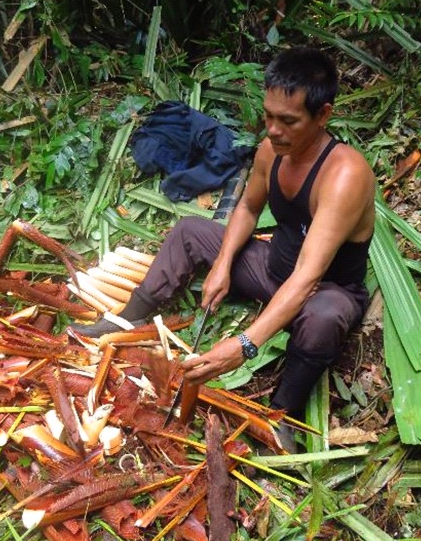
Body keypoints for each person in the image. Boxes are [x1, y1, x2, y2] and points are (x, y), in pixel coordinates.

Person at [71, 47, 375, 452]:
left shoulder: (345, 176)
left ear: (323, 116)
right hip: (273, 270)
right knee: (191, 232)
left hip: (322, 290)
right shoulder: (273, 151)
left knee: (323, 317)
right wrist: (224, 264)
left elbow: (307, 279)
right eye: (268, 116)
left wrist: (243, 346)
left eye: (288, 121)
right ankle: (128, 319)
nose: (273, 130)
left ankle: (284, 414)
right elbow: (248, 207)